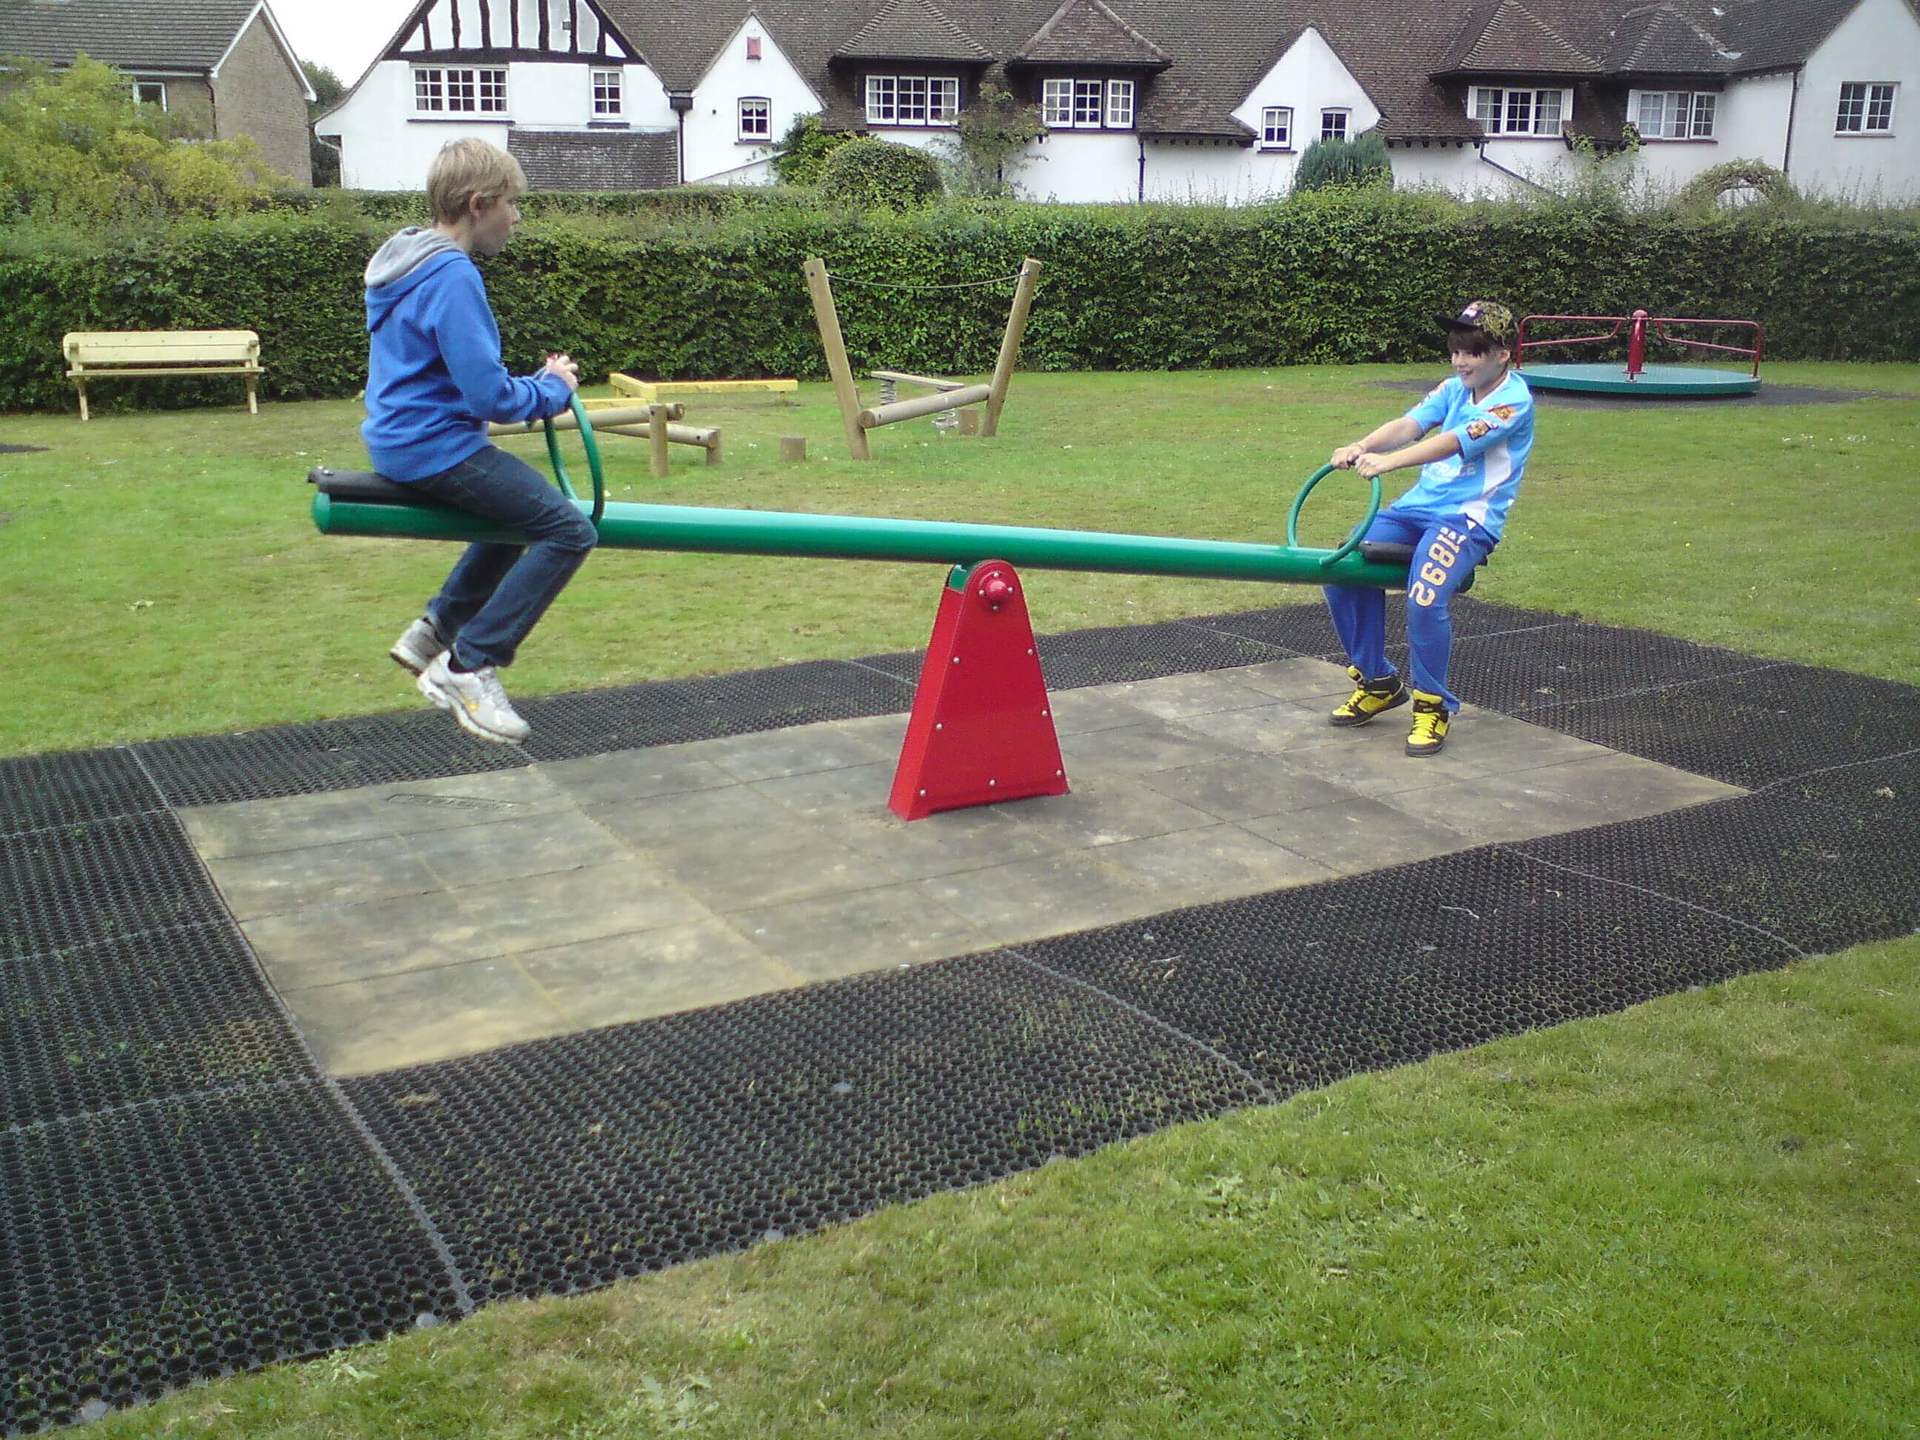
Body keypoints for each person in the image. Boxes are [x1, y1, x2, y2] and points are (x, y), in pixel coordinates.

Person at [362, 137, 594, 745]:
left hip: (398, 440)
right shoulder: (452, 275)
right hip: (434, 447)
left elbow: (441, 374)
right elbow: (488, 397)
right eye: (512, 203)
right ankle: (470, 664)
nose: (516, 217)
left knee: (517, 513)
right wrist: (553, 389)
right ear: (477, 203)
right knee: (568, 529)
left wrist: (537, 384)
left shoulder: (404, 265)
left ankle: (433, 630)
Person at [1322, 300, 1534, 756]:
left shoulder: (1512, 402)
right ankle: (1378, 680)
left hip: (1467, 518)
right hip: (1415, 509)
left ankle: (1432, 705)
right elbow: (1410, 424)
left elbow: (1451, 442)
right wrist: (1361, 445)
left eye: (1472, 351)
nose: (1461, 361)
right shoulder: (1455, 387)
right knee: (1341, 570)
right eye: (1456, 350)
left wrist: (1387, 463)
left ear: (1502, 354)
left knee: (1425, 595)